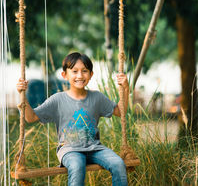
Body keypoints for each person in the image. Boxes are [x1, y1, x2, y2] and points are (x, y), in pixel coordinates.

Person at [17, 52, 130, 186]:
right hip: (70, 150)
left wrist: (125, 88)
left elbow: (120, 112)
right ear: (64, 75)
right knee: (77, 166)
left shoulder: (97, 97)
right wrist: (22, 96)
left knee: (118, 164)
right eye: (74, 71)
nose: (80, 76)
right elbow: (31, 118)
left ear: (91, 74)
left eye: (84, 71)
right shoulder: (57, 100)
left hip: (95, 148)